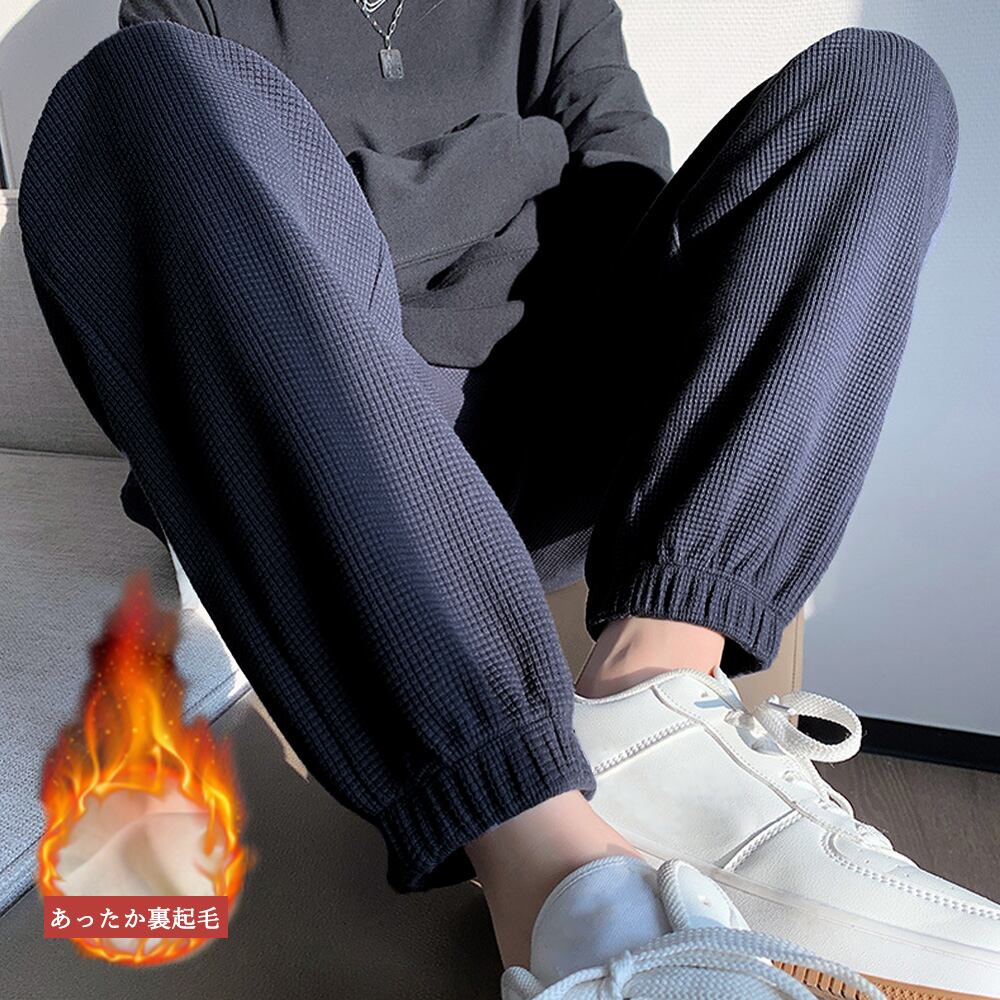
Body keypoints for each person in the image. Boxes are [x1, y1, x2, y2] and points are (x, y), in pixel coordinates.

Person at [16, 1, 997, 996]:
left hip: (566, 423)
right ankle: (553, 871)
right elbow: (223, 220)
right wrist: (523, 155)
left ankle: (657, 694)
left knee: (884, 87)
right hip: (339, 435)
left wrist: (355, 198)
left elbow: (625, 199)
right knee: (134, 93)